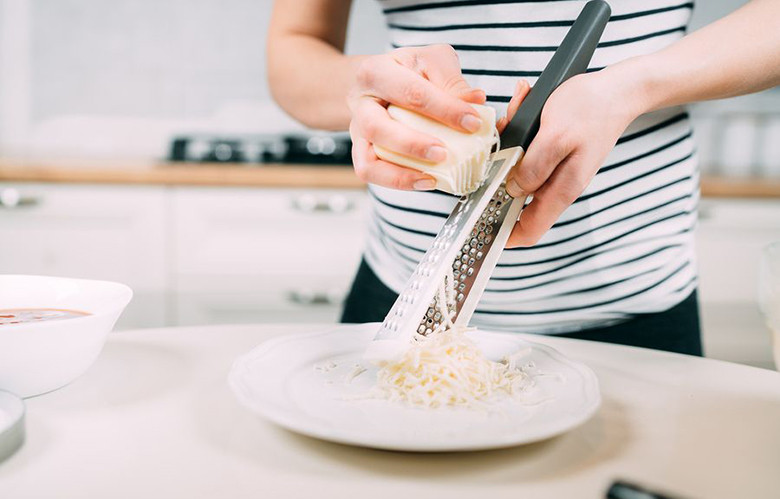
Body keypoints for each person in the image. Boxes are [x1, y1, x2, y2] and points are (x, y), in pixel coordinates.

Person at [267, 0, 780, 355]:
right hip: (405, 290)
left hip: (636, 299)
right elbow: (294, 49)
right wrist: (364, 86)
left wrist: (631, 86)